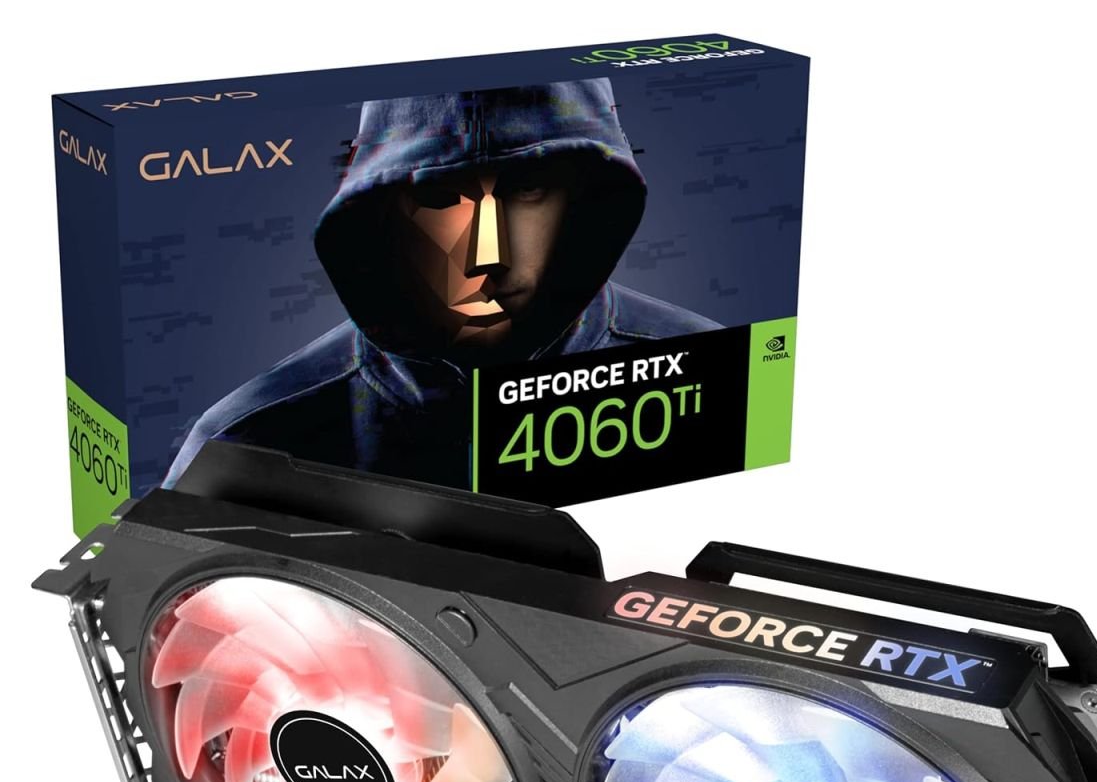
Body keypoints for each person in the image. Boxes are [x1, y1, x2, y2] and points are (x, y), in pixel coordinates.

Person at [165, 79, 720, 487]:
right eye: (440, 197)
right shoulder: (248, 442)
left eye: (528, 190)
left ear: (585, 199)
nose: (488, 255)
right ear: (382, 212)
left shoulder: (718, 381)